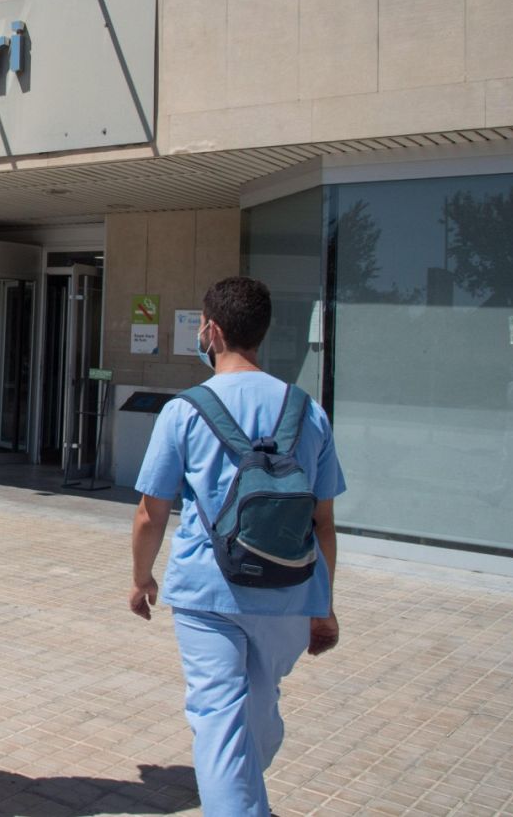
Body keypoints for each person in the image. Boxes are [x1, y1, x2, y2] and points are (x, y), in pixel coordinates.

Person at [129, 276, 344, 817]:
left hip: (207, 593)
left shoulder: (184, 410)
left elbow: (150, 513)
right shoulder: (307, 410)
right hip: (290, 593)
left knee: (221, 724)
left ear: (211, 331)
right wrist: (324, 605)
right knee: (258, 710)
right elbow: (323, 523)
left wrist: (141, 578)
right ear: (260, 335)